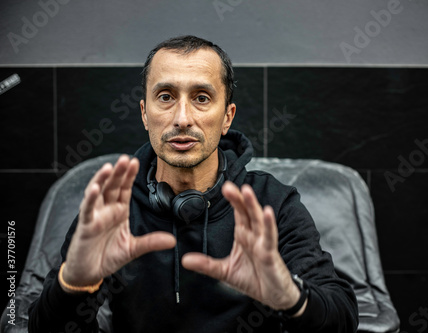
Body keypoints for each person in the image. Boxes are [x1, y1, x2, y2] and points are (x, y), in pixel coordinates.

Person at [28, 35, 358, 333]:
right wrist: (73, 284)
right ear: (145, 114)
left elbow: (342, 318)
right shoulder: (111, 210)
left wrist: (291, 297)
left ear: (227, 116)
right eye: (166, 97)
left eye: (201, 98)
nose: (182, 117)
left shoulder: (273, 205)